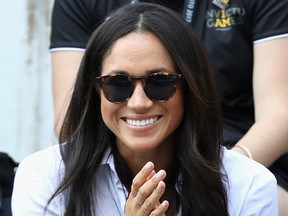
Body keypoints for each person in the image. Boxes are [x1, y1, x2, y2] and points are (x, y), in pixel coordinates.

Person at [12, 3, 277, 215]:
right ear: (95, 91)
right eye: (117, 84)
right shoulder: (43, 178)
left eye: (160, 82)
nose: (138, 103)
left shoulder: (250, 184)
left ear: (191, 88)